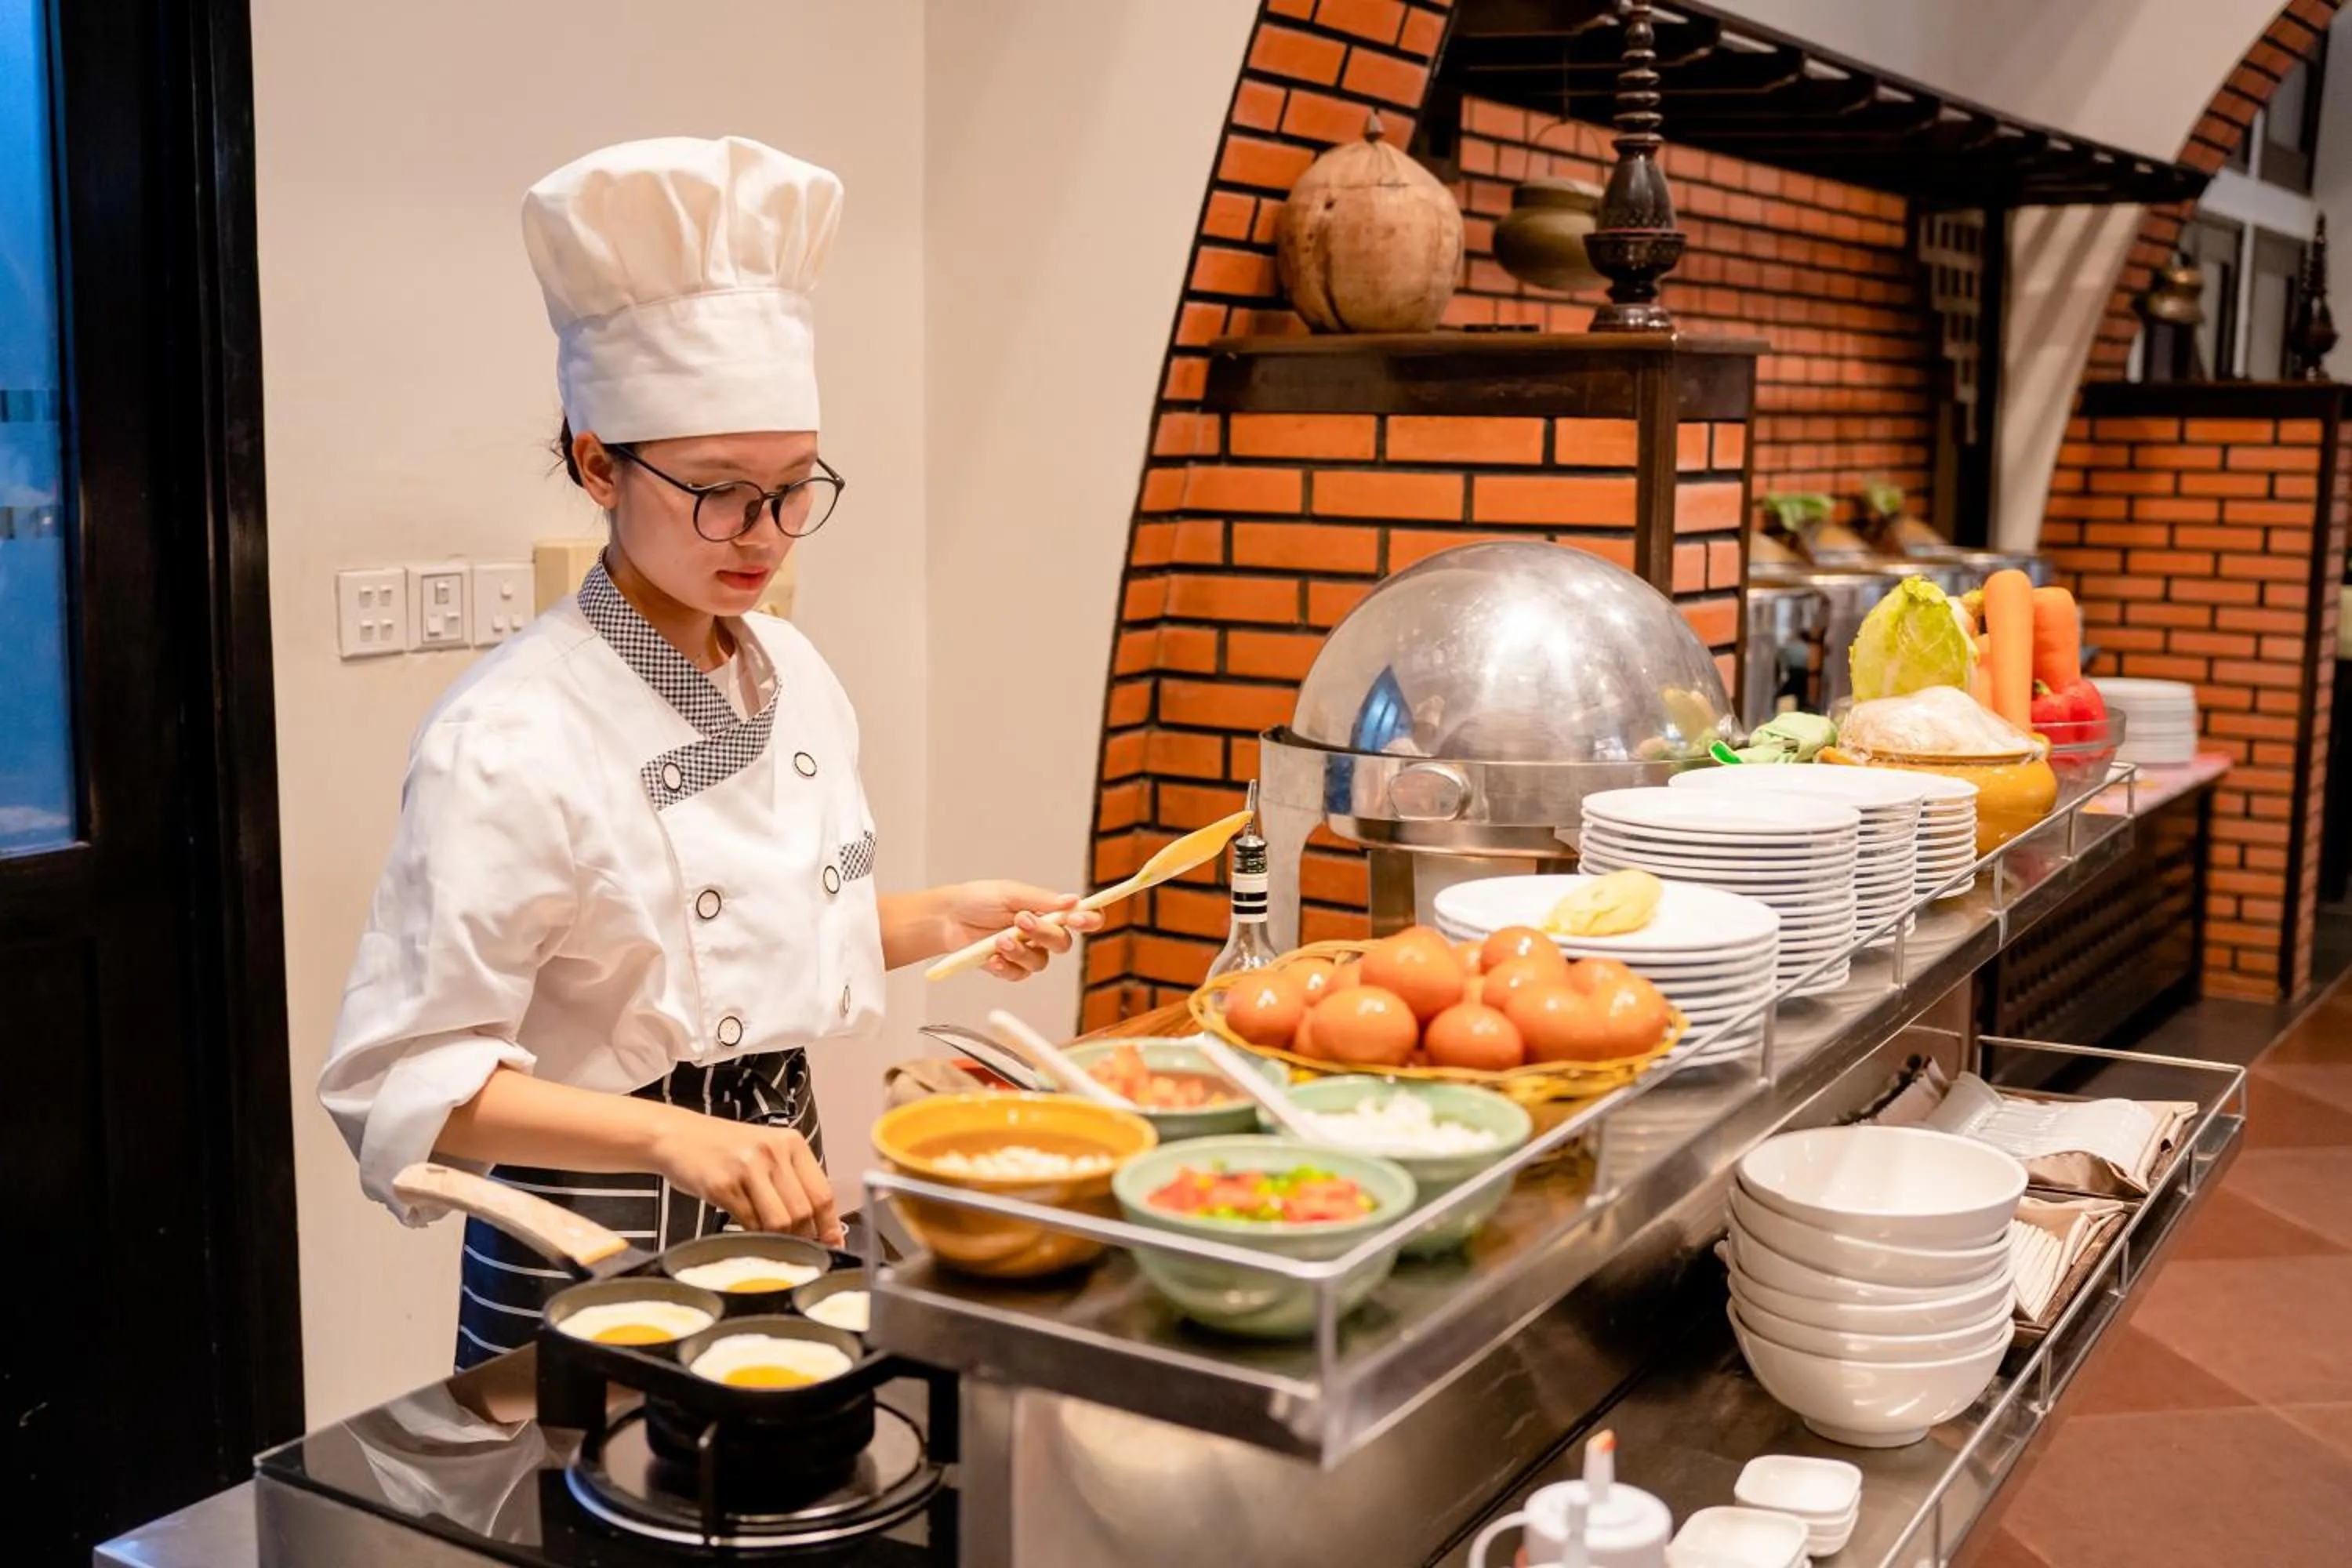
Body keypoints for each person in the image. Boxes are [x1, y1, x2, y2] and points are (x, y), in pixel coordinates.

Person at [319, 136, 1094, 1368]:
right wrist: (673, 1142)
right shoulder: (509, 735)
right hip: (587, 1226)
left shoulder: (793, 678)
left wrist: (943, 915)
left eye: (794, 488)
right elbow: (406, 1081)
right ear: (597, 465)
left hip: (783, 1181)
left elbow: (711, 943)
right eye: (722, 492)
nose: (767, 536)